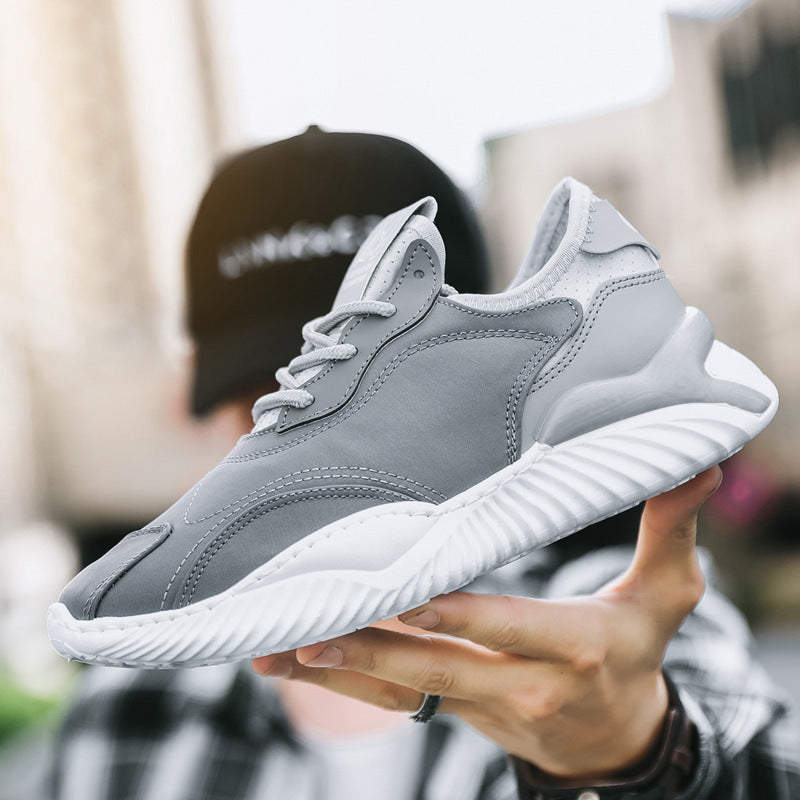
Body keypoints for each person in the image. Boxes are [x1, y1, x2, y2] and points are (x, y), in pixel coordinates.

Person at [47, 128, 799, 800]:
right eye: (278, 400)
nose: (307, 444)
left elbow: (764, 759)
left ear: (481, 364)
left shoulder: (612, 623)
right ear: (191, 390)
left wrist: (643, 748)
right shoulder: (121, 714)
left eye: (354, 391)